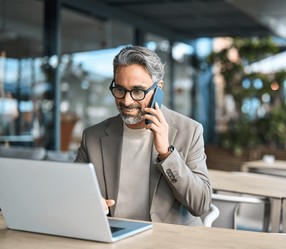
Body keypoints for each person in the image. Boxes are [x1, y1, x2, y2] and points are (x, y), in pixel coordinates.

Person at [74, 45, 212, 226]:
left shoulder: (190, 131)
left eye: (138, 91)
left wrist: (167, 153)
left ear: (158, 89)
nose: (126, 100)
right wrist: (88, 202)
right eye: (120, 89)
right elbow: (73, 190)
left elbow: (200, 204)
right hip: (113, 238)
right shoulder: (92, 137)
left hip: (168, 242)